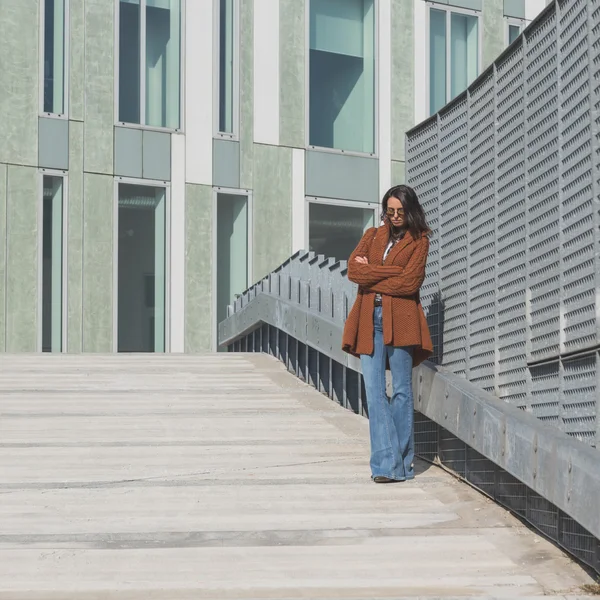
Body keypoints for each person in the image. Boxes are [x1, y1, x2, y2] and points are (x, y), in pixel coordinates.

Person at [342, 184, 433, 483]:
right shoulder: (372, 236)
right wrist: (392, 272)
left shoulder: (420, 241)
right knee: (374, 391)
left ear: (410, 211)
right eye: (389, 211)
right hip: (370, 318)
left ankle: (403, 465)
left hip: (402, 319)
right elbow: (354, 271)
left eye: (399, 211)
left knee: (403, 393)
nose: (394, 216)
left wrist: (374, 274)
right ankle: (386, 465)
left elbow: (410, 283)